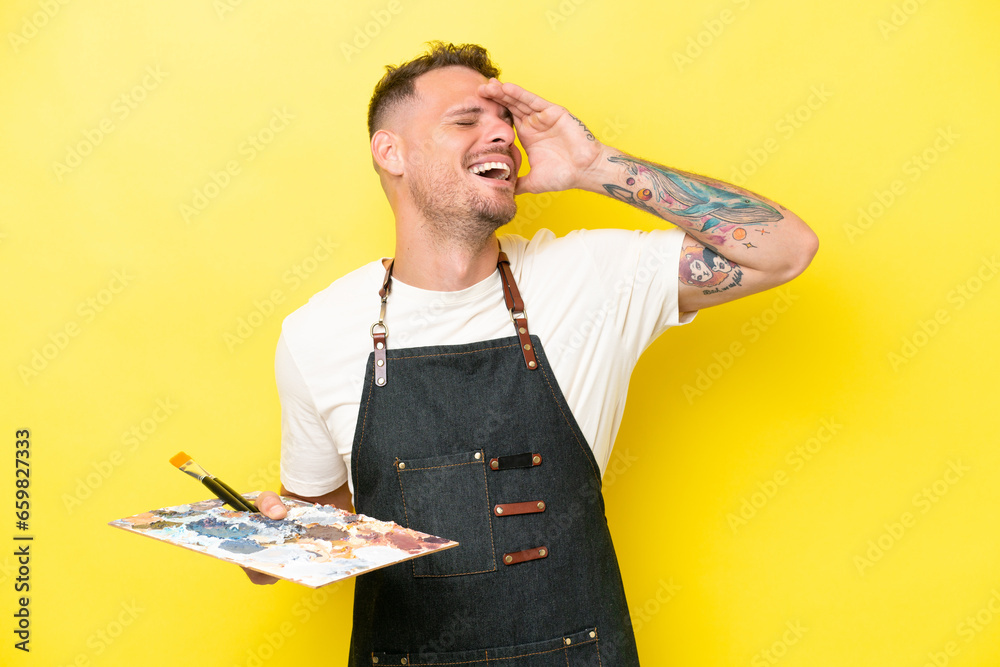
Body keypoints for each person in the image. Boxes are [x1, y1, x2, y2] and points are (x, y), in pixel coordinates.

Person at [250, 41, 818, 665]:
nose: (500, 136)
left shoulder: (590, 278)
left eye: (506, 124)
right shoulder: (318, 331)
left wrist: (594, 164)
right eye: (467, 120)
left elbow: (784, 248)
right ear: (391, 153)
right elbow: (322, 513)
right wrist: (270, 539)